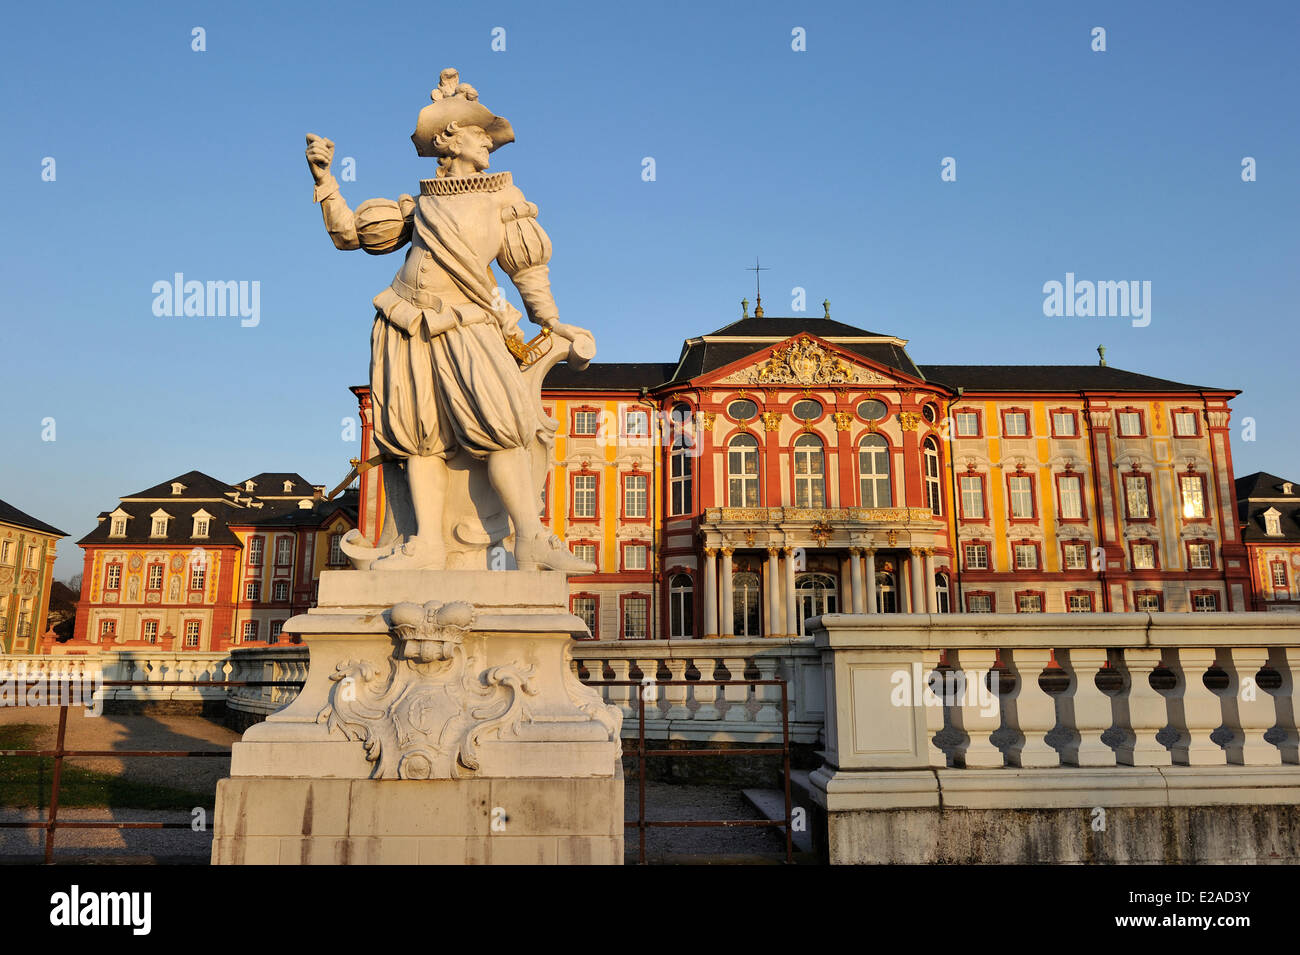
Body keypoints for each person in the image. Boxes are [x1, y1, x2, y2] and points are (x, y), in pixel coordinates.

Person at [305, 71, 593, 572]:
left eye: (490, 133)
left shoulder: (505, 197)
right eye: (479, 131)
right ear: (447, 137)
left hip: (468, 323)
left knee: (503, 428)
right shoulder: (420, 203)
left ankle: (530, 539)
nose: (488, 140)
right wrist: (326, 180)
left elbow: (526, 265)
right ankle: (426, 546)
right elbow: (350, 235)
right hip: (404, 319)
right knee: (419, 435)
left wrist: (552, 320)